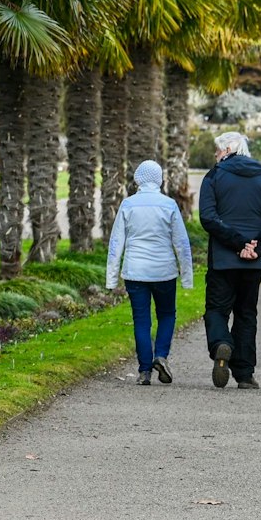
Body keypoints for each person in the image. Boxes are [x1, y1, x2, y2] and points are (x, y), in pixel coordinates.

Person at [198, 131, 261, 390]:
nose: (215, 156)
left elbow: (208, 218)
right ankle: (245, 374)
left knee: (216, 309)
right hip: (254, 263)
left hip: (223, 260)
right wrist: (257, 246)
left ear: (227, 150)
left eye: (217, 151)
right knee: (247, 313)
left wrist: (237, 244)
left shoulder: (214, 176)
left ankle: (221, 343)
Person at [105, 159, 194, 384]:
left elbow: (116, 243)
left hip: (135, 272)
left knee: (141, 320)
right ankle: (161, 356)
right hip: (164, 271)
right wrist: (187, 277)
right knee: (166, 315)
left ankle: (144, 371)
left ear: (137, 180)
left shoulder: (128, 205)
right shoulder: (169, 204)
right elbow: (181, 243)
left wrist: (111, 278)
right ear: (159, 179)